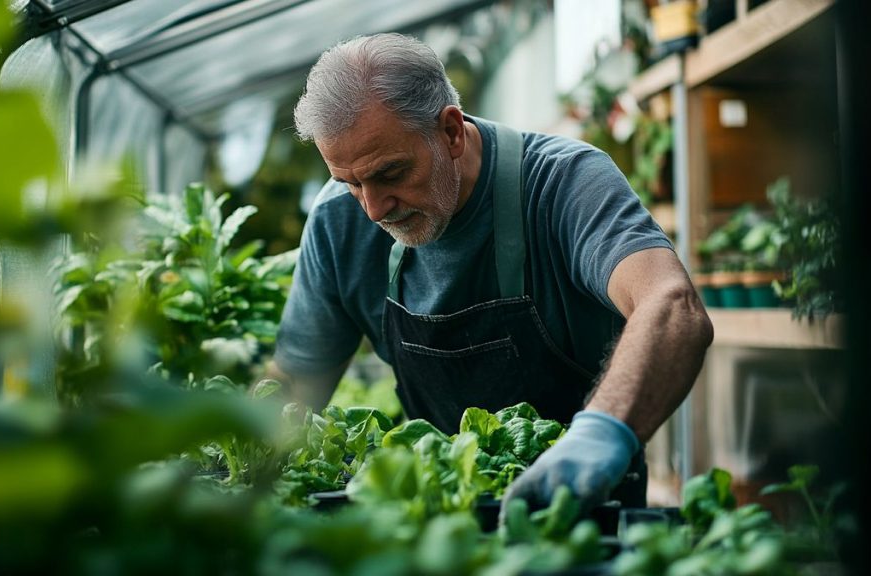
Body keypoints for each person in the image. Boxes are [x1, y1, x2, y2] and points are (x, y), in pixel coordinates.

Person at [268, 33, 713, 517]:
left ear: (452, 131)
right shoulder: (338, 223)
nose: (373, 209)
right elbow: (296, 384)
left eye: (391, 174)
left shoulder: (563, 183)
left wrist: (602, 433)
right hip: (438, 520)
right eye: (350, 183)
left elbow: (671, 307)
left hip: (580, 514)